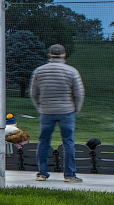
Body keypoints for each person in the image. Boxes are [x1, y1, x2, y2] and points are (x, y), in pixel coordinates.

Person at [28, 43, 84, 182]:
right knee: (68, 143)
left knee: (43, 142)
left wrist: (40, 107)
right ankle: (69, 175)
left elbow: (33, 92)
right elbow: (79, 93)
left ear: (49, 55)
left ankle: (42, 173)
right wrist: (76, 108)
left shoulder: (39, 71)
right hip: (66, 111)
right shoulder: (71, 71)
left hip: (46, 111)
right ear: (64, 55)